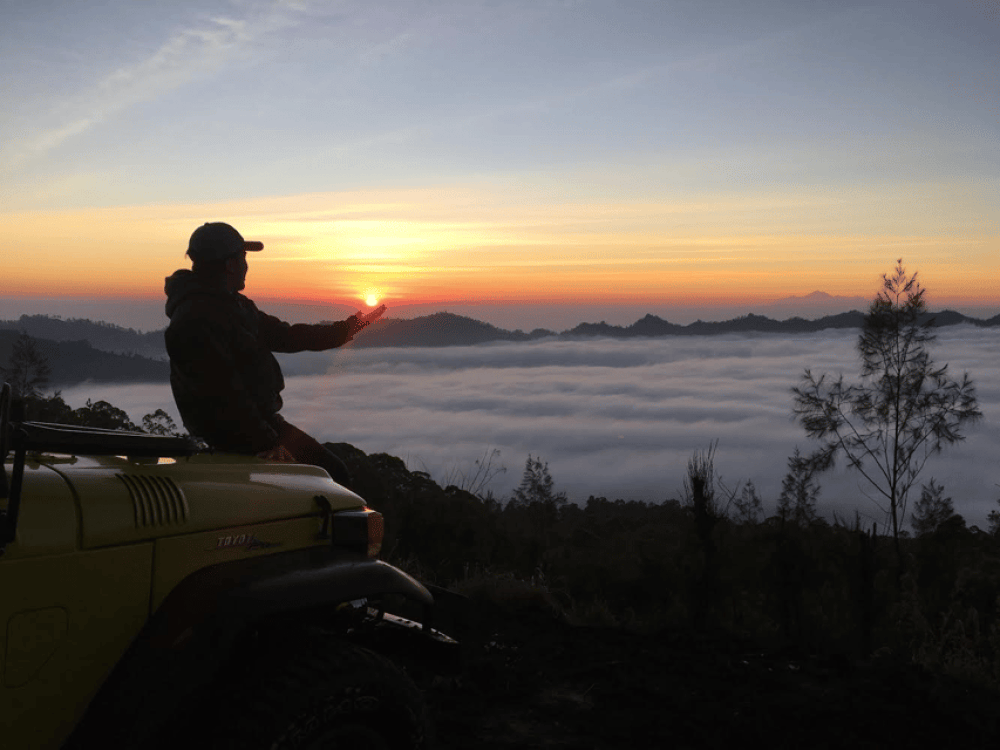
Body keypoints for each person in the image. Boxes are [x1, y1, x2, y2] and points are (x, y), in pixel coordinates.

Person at [164, 222, 384, 488]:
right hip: (238, 435)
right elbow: (224, 396)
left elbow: (287, 336)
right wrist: (267, 443)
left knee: (332, 474)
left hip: (260, 426)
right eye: (243, 258)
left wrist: (349, 328)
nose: (247, 266)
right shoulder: (195, 319)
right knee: (331, 478)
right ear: (230, 264)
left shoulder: (233, 306)